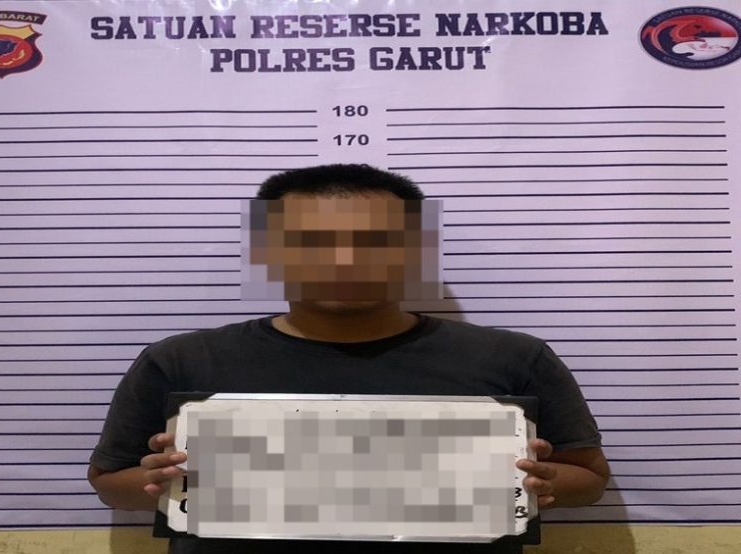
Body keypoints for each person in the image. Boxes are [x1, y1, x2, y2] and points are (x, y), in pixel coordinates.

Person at [88, 164, 609, 553]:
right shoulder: (182, 360)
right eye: (312, 242)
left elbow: (588, 480)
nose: (344, 260)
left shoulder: (512, 357)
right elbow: (111, 483)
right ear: (268, 251)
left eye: (375, 241)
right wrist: (161, 481)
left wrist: (542, 482)